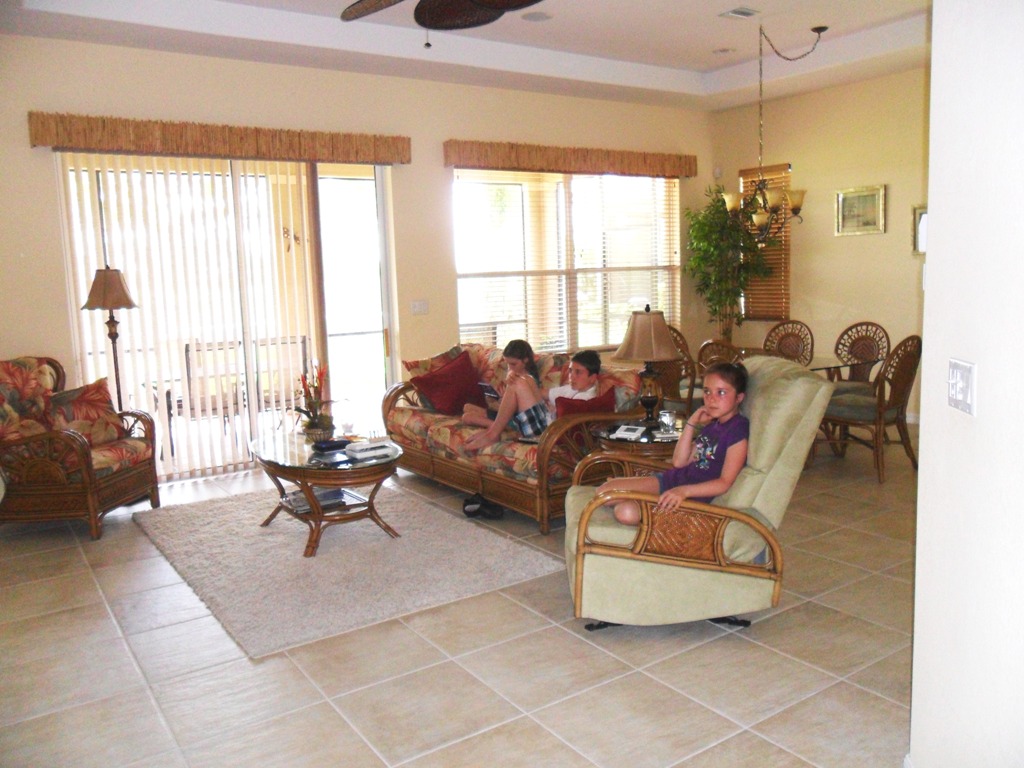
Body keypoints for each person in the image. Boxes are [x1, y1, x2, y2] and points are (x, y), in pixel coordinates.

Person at [596, 362, 750, 525]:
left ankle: (643, 505)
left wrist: (684, 491)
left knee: (626, 512)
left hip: (690, 496)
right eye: (707, 391)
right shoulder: (712, 426)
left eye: (721, 392)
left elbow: (725, 482)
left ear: (739, 397)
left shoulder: (737, 428)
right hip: (672, 481)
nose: (711, 399)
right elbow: (679, 462)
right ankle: (642, 501)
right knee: (604, 492)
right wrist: (691, 423)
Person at [463, 344, 602, 451]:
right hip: (545, 421)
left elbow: (567, 423)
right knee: (526, 379)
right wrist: (520, 382)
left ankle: (493, 434)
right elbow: (541, 393)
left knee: (518, 383)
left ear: (593, 377)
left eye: (578, 372)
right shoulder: (571, 389)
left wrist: (554, 410)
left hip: (546, 433)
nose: (572, 376)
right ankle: (494, 431)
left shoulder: (587, 399)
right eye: (570, 371)